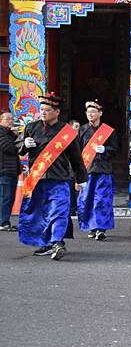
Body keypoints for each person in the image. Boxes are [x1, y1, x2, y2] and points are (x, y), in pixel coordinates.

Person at [16, 93, 87, 260]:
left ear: (57, 112)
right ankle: (46, 243)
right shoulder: (31, 127)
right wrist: (23, 144)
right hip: (37, 179)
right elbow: (18, 145)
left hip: (59, 178)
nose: (43, 113)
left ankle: (57, 242)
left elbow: (76, 157)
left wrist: (81, 178)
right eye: (41, 109)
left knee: (59, 210)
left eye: (47, 110)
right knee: (40, 212)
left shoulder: (66, 132)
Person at [77, 100, 118, 241]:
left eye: (93, 112)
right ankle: (91, 226)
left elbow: (115, 149)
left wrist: (105, 149)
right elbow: (76, 152)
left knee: (102, 199)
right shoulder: (81, 130)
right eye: (88, 112)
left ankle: (101, 228)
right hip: (86, 170)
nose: (90, 114)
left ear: (100, 113)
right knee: (86, 199)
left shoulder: (108, 131)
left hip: (103, 170)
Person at [0, 112, 20, 232]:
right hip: (4, 171)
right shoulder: (1, 133)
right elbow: (11, 148)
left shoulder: (9, 133)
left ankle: (6, 221)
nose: (11, 121)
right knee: (5, 198)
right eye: (7, 119)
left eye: (12, 119)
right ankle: (3, 222)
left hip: (12, 170)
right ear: (1, 120)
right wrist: (17, 138)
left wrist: (16, 136)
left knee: (10, 197)